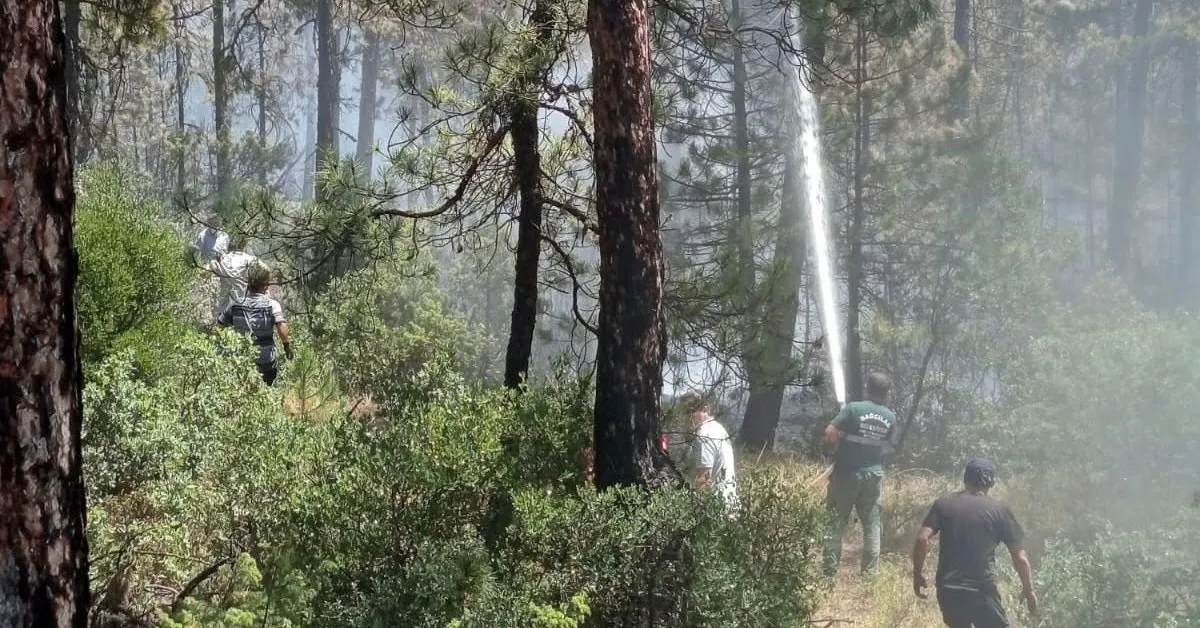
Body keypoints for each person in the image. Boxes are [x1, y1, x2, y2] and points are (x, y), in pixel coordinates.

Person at [912, 458, 1037, 628]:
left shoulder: (943, 504)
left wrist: (917, 574)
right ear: (991, 482)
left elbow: (922, 539)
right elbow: (1020, 557)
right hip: (982, 591)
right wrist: (1029, 590)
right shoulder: (999, 510)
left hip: (949, 590)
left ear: (966, 478)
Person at [822, 372, 897, 576]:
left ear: (867, 387)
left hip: (846, 474)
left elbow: (830, 432)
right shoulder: (890, 417)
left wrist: (843, 437)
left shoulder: (853, 408)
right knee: (872, 525)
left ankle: (829, 573)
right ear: (887, 392)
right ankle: (870, 574)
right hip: (873, 475)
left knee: (835, 522)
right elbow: (886, 447)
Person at [216, 262, 293, 385]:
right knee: (267, 389)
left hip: (243, 362)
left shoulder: (235, 304)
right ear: (266, 285)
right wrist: (287, 347)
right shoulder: (272, 305)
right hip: (267, 363)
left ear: (248, 283)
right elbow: (281, 326)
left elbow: (220, 326)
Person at [680, 393, 738, 509]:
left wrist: (693, 513)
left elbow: (703, 481)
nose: (687, 417)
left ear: (705, 410)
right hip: (728, 504)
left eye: (692, 411)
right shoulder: (718, 428)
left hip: (714, 509)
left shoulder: (704, 436)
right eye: (685, 412)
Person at [200, 234, 258, 319]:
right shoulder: (250, 260)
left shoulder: (222, 260)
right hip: (245, 307)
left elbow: (203, 272)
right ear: (244, 245)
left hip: (225, 310)